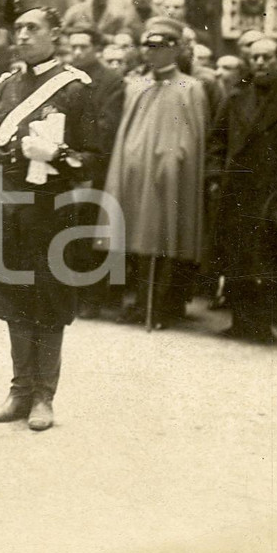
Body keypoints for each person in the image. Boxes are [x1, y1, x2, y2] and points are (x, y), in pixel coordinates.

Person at [0, 0, 100, 431]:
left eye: (33, 28)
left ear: (55, 35)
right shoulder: (3, 88)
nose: (23, 36)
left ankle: (44, 395)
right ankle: (19, 390)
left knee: (49, 296)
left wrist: (60, 153)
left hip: (53, 210)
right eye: (19, 29)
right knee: (11, 297)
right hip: (8, 207)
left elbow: (94, 158)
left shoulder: (74, 88)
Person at [100, 16, 209, 330]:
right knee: (135, 235)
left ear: (174, 49)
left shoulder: (191, 88)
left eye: (158, 46)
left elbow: (191, 135)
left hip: (169, 173)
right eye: (147, 46)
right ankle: (138, 303)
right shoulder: (136, 85)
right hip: (135, 172)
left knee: (164, 238)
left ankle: (161, 306)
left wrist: (175, 160)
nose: (150, 53)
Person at [206, 37, 277, 341]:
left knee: (266, 258)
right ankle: (240, 323)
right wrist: (214, 175)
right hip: (236, 188)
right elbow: (217, 141)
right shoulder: (236, 96)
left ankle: (262, 325)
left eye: (267, 57)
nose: (262, 63)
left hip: (271, 190)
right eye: (256, 58)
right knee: (237, 255)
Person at [64, 27, 125, 319]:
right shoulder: (66, 77)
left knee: (90, 231)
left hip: (94, 164)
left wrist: (79, 154)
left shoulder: (110, 81)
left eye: (83, 46)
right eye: (72, 46)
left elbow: (106, 126)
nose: (76, 52)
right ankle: (68, 294)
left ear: (96, 49)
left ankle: (91, 298)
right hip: (63, 161)